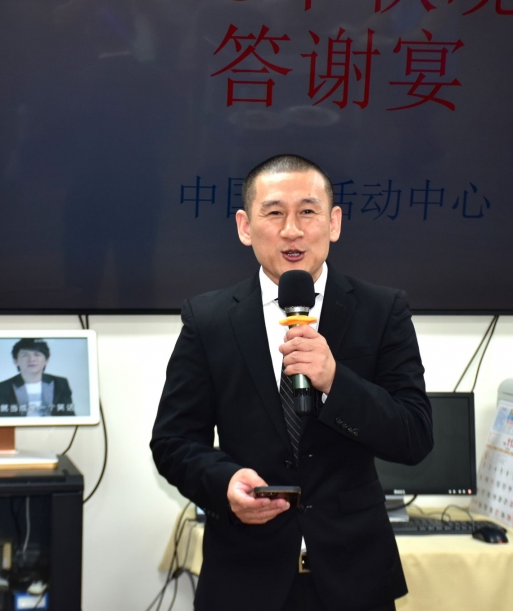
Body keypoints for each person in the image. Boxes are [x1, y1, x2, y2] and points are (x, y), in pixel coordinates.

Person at [150, 154, 433, 611]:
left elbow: (414, 435)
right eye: (274, 213)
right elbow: (173, 442)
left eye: (307, 211)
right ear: (245, 226)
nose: (292, 230)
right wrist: (225, 483)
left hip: (355, 581)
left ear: (333, 222)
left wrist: (336, 381)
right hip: (245, 580)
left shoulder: (382, 311)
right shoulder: (209, 319)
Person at [0, 338, 73, 417]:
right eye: (25, 355)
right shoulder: (2, 388)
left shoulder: (60, 383)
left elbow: (69, 415)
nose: (31, 359)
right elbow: (1, 418)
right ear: (15, 361)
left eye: (37, 354)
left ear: (46, 360)